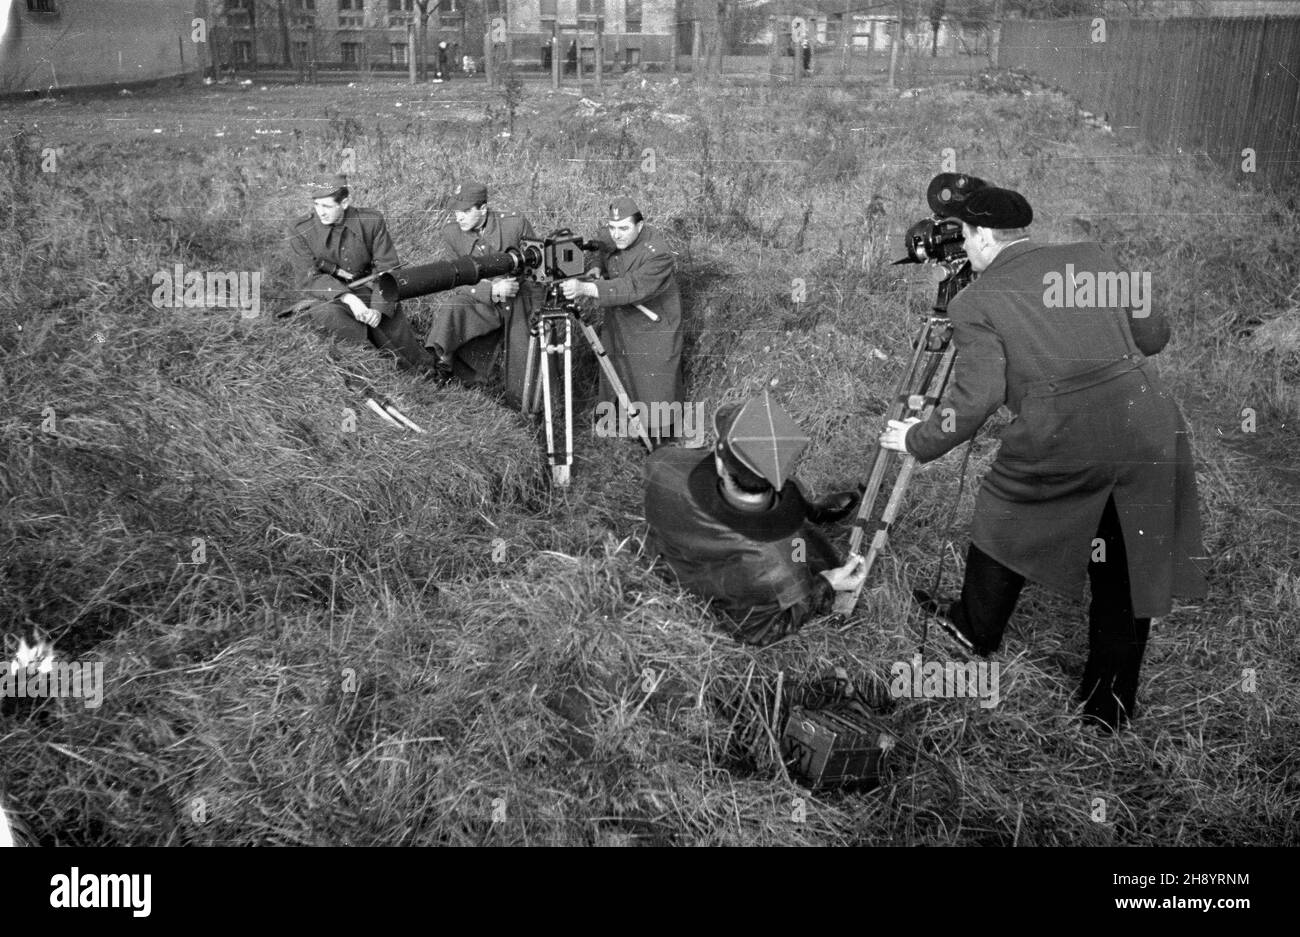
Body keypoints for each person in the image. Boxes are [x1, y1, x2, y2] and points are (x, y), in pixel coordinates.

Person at [879, 185, 1208, 731]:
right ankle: (1108, 708)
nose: (961, 247)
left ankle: (973, 628)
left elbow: (973, 402)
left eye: (961, 235)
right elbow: (1154, 335)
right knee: (1126, 562)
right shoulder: (1093, 257)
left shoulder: (975, 302)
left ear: (982, 235)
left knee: (1006, 509)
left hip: (1064, 435)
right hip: (1147, 422)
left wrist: (916, 438)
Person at [644, 393, 867, 646]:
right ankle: (809, 519)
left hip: (673, 556)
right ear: (778, 477)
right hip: (726, 585)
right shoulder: (784, 557)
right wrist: (827, 583)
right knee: (807, 547)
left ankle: (809, 511)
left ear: (719, 463)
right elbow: (760, 631)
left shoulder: (662, 466)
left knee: (796, 514)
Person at [561, 197, 685, 444]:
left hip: (652, 328)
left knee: (654, 385)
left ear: (640, 226)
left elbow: (632, 286)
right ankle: (616, 429)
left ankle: (657, 440)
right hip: (620, 321)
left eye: (624, 228)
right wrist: (596, 266)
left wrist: (586, 288)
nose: (616, 234)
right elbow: (600, 242)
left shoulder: (658, 254)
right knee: (617, 373)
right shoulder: (615, 232)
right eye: (613, 227)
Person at [286, 175, 433, 372]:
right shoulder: (301, 229)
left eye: (327, 206)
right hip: (326, 294)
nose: (320, 212)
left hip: (368, 286)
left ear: (345, 202)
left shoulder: (370, 221)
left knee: (392, 326)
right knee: (330, 315)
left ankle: (423, 369)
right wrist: (348, 299)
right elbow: (308, 277)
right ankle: (376, 366)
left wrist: (378, 308)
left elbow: (387, 268)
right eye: (316, 205)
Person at [423, 180, 542, 406]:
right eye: (456, 211)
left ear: (483, 209)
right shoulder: (452, 233)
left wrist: (536, 309)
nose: (459, 217)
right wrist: (491, 290)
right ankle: (441, 365)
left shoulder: (514, 225)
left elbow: (537, 269)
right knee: (454, 307)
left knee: (523, 352)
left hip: (518, 299)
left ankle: (523, 406)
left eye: (466, 211)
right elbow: (455, 278)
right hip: (484, 299)